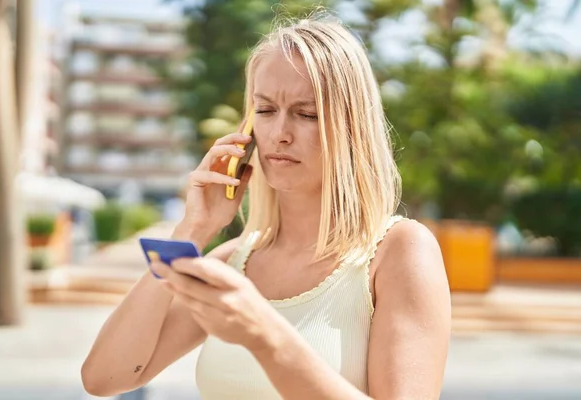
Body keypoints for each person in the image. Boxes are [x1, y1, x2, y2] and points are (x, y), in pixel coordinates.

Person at [81, 13, 451, 400]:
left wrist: (266, 337)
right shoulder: (231, 264)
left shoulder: (399, 251)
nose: (279, 134)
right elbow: (105, 378)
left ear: (351, 128)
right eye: (265, 110)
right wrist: (192, 232)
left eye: (306, 114)